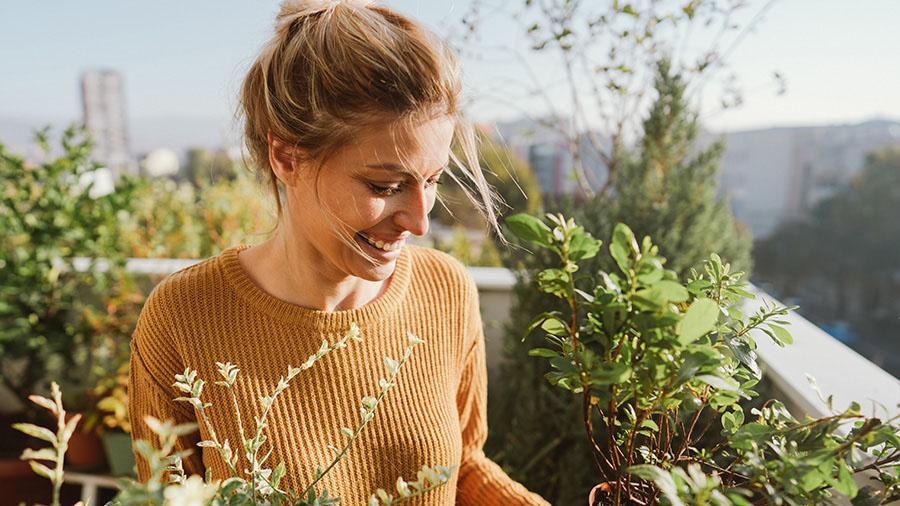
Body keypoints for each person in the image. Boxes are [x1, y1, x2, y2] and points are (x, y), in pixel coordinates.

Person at [128, 1, 550, 504]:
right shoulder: (182, 317)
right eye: (385, 184)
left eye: (432, 180)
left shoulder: (447, 291)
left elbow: (463, 469)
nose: (419, 220)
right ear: (285, 156)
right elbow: (168, 495)